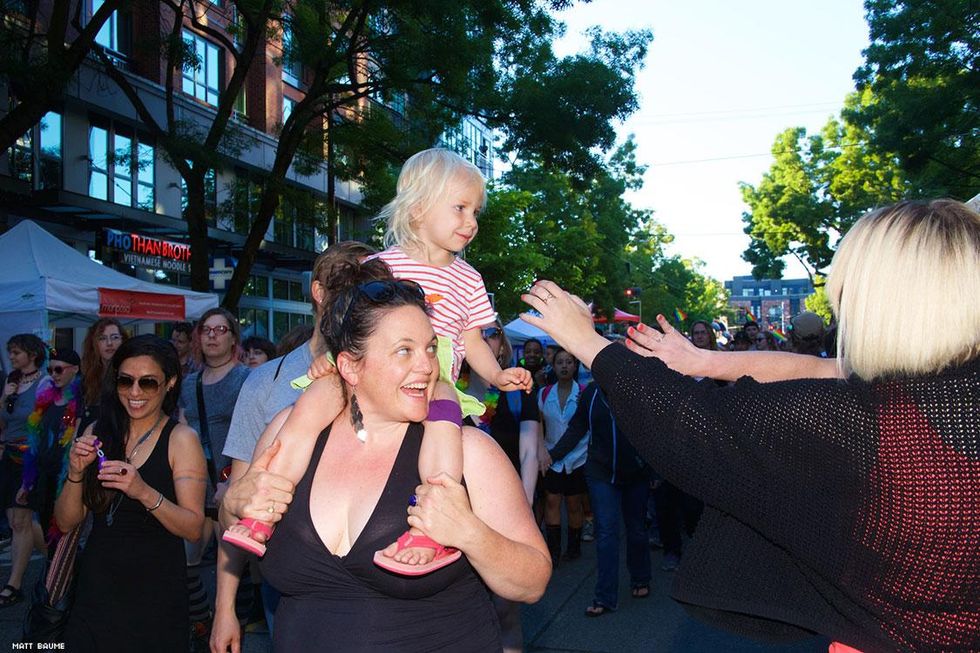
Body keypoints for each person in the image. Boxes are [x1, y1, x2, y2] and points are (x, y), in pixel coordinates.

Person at [521, 199, 980, 652]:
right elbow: (825, 370)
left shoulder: (861, 424)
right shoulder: (946, 396)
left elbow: (692, 423)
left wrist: (587, 341)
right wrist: (703, 360)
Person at [222, 148, 532, 571]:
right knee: (306, 413)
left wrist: (497, 374)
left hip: (437, 371)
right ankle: (265, 502)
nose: (471, 222)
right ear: (419, 206)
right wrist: (332, 358)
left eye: (475, 211)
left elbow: (471, 338)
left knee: (446, 430)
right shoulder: (381, 265)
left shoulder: (469, 278)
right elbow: (352, 321)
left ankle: (430, 524)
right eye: (460, 208)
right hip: (370, 368)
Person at [220, 263, 550, 651]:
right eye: (404, 351)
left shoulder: (469, 451)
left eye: (429, 348)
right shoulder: (285, 433)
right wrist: (234, 500)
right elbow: (234, 526)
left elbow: (533, 582)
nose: (427, 366)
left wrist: (468, 532)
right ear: (349, 365)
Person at [212, 241, 388, 652]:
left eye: (371, 287)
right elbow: (232, 512)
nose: (359, 297)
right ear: (318, 291)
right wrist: (225, 608)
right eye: (348, 285)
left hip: (382, 578)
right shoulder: (265, 383)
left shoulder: (390, 374)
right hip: (292, 584)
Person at [56, 335, 207, 652]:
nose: (135, 393)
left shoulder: (181, 439)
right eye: (126, 381)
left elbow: (194, 528)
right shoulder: (97, 432)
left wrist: (142, 491)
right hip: (95, 589)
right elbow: (67, 522)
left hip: (155, 592)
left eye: (148, 383)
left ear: (169, 383)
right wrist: (74, 473)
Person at [459, 322, 540, 653]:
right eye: (474, 332)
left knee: (506, 613)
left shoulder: (518, 389)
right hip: (460, 514)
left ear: (503, 346)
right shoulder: (446, 388)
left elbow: (530, 451)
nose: (482, 337)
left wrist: (524, 510)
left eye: (490, 333)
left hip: (504, 513)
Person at [547, 375, 651, 617]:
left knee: (636, 528)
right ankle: (604, 597)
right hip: (601, 473)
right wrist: (552, 455)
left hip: (636, 473)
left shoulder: (640, 389)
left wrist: (655, 469)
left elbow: (654, 432)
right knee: (606, 532)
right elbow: (577, 428)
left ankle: (640, 577)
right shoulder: (592, 394)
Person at [178, 308, 250, 646]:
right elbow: (181, 428)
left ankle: (232, 625)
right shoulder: (188, 382)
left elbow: (255, 432)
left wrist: (234, 481)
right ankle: (200, 624)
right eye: (206, 329)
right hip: (195, 486)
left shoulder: (246, 379)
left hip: (228, 485)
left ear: (233, 338)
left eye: (220, 330)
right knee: (188, 561)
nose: (211, 335)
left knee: (231, 567)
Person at [0, 333, 48, 607]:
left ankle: (14, 583)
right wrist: (5, 397)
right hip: (9, 456)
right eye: (10, 352)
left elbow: (46, 423)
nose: (12, 357)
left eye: (17, 352)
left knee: (20, 522)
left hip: (29, 458)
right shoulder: (11, 381)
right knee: (22, 522)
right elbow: (3, 419)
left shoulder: (44, 382)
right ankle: (60, 561)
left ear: (32, 353)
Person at [20, 349, 83, 548]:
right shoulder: (45, 401)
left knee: (65, 532)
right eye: (50, 370)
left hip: (66, 478)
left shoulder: (82, 401)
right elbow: (34, 442)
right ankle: (51, 572)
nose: (54, 374)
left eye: (59, 369)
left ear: (75, 369)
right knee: (46, 529)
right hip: (45, 476)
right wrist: (26, 483)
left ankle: (61, 575)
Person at [537, 348, 587, 566]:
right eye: (560, 362)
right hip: (551, 457)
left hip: (578, 459)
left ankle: (574, 548)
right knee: (551, 501)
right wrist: (541, 451)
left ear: (575, 366)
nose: (564, 366)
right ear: (554, 366)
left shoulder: (584, 393)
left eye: (569, 362)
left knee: (575, 504)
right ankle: (554, 550)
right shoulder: (544, 393)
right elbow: (538, 424)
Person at [79, 318, 129, 435]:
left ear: (123, 340)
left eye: (115, 337)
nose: (109, 343)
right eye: (102, 338)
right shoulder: (88, 377)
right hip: (89, 441)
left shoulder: (130, 375)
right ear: (94, 343)